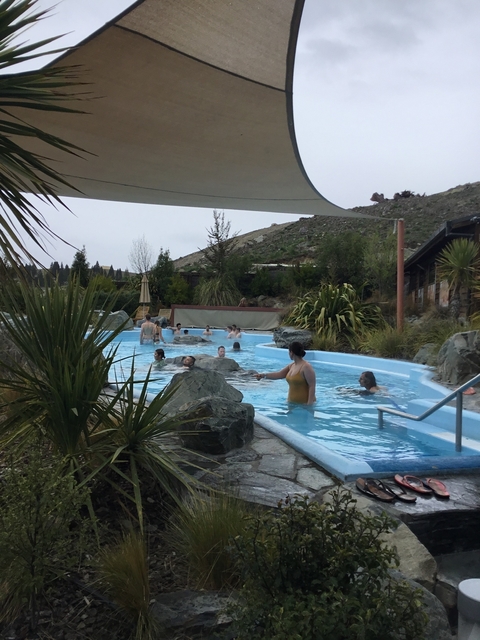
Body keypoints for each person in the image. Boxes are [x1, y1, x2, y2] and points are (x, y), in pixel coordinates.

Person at [254, 341, 316, 405]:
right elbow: (279, 375)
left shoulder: (306, 367)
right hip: (291, 403)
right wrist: (263, 375)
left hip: (304, 405)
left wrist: (309, 405)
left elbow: (312, 386)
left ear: (291, 352)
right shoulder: (292, 365)